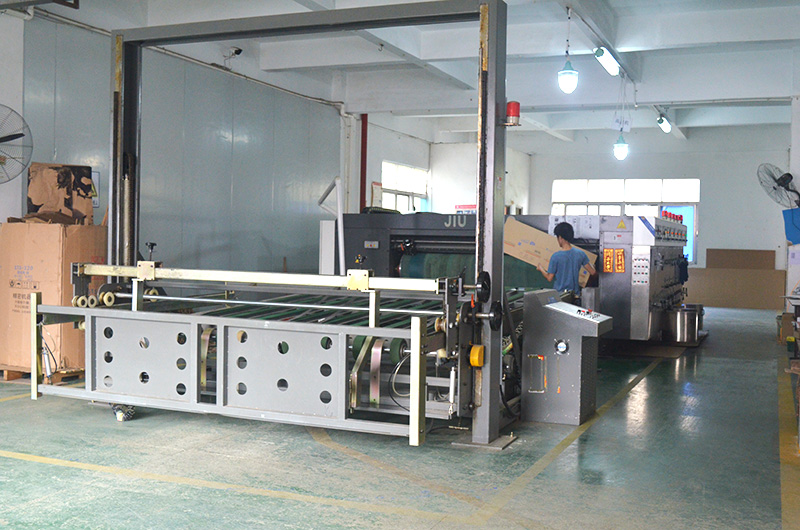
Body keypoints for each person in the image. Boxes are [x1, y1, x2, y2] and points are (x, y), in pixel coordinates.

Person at [537, 222, 596, 299]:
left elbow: (549, 278)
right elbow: (593, 272)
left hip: (560, 296)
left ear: (560, 238)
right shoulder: (580, 254)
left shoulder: (555, 256)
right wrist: (592, 265)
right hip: (575, 296)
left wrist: (541, 268)